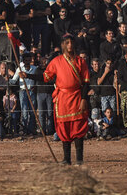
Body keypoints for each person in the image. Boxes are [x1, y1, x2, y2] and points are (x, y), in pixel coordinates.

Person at [39, 36, 90, 165]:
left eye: (72, 42)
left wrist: (84, 98)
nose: (70, 45)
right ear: (63, 45)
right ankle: (66, 159)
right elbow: (45, 76)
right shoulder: (56, 61)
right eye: (67, 43)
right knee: (64, 128)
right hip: (62, 99)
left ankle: (79, 159)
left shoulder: (80, 61)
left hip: (77, 97)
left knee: (78, 128)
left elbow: (86, 82)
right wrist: (27, 75)